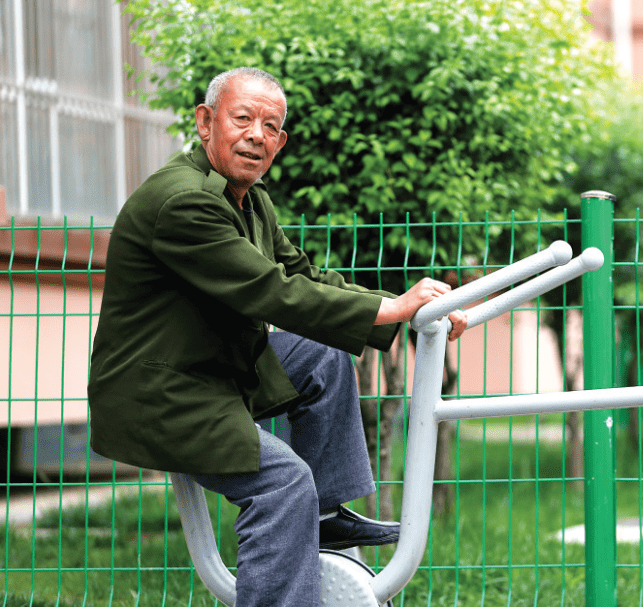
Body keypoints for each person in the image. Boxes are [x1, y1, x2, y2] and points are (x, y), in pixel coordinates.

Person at [87, 67, 466, 607]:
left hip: (214, 368)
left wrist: (413, 306)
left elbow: (303, 277)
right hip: (164, 392)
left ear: (281, 142)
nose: (256, 135)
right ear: (205, 122)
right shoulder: (184, 202)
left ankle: (328, 517)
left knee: (326, 350)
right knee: (283, 483)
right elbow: (272, 292)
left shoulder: (251, 198)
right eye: (242, 118)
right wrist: (393, 309)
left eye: (271, 126)